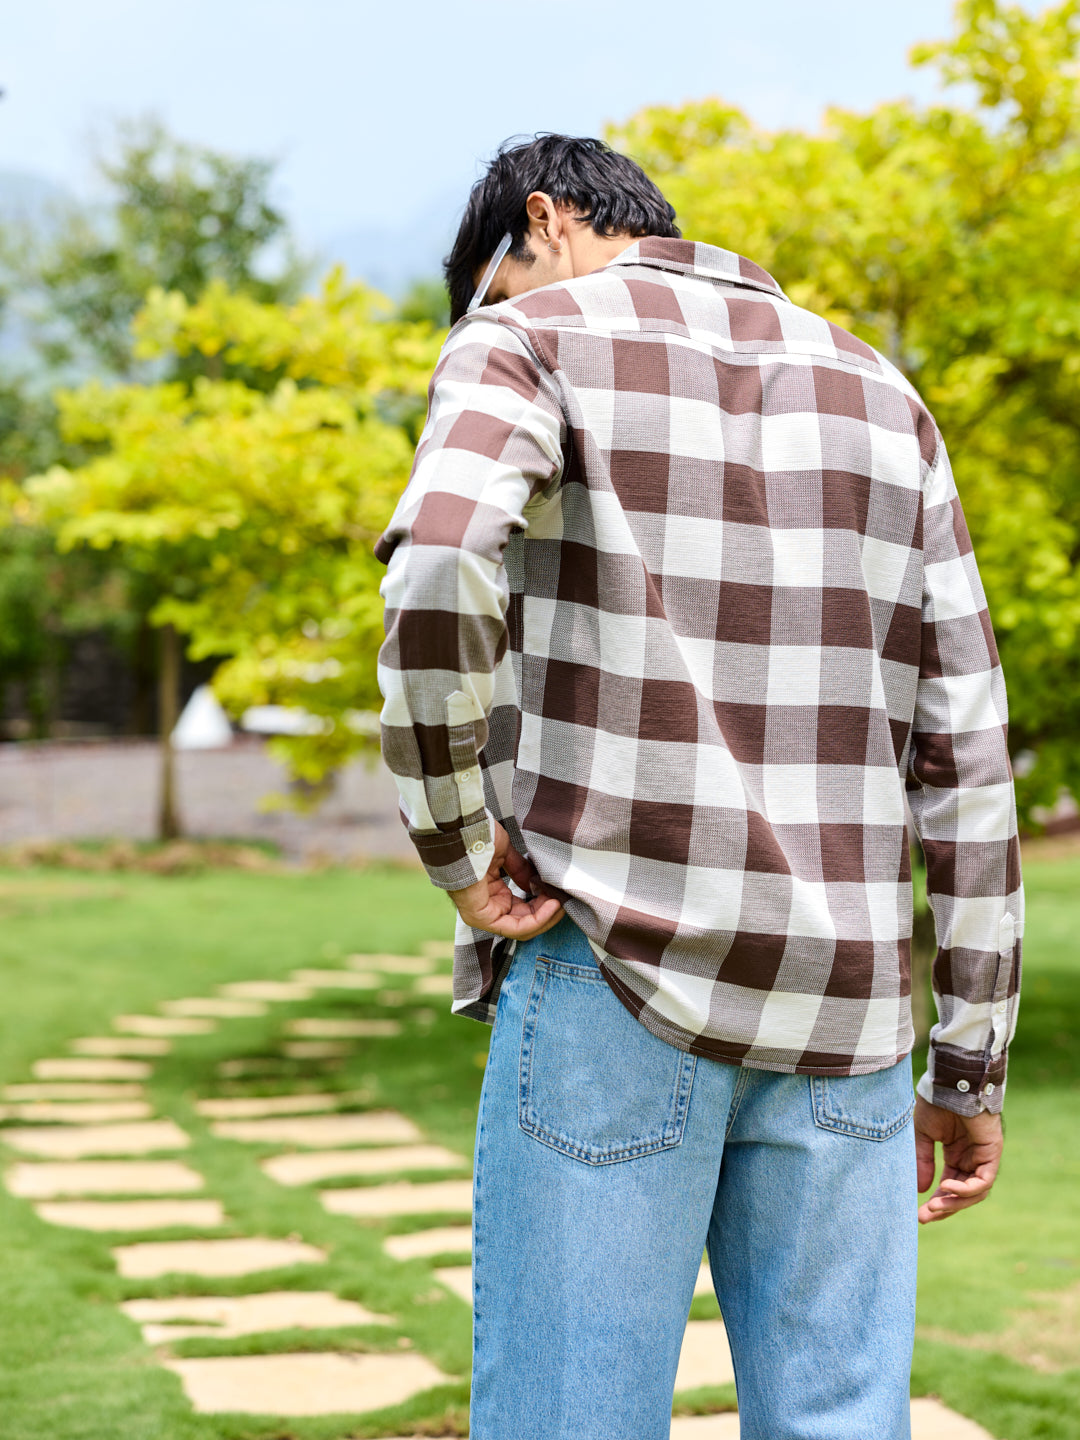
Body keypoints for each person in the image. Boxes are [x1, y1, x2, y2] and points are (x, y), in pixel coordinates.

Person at [376, 135, 1022, 1440]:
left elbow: (441, 562)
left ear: (542, 222)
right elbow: (964, 748)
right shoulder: (884, 396)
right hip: (850, 1009)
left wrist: (456, 838)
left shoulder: (533, 340)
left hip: (613, 964)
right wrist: (971, 1060)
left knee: (572, 1419)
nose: (491, 315)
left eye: (490, 285)